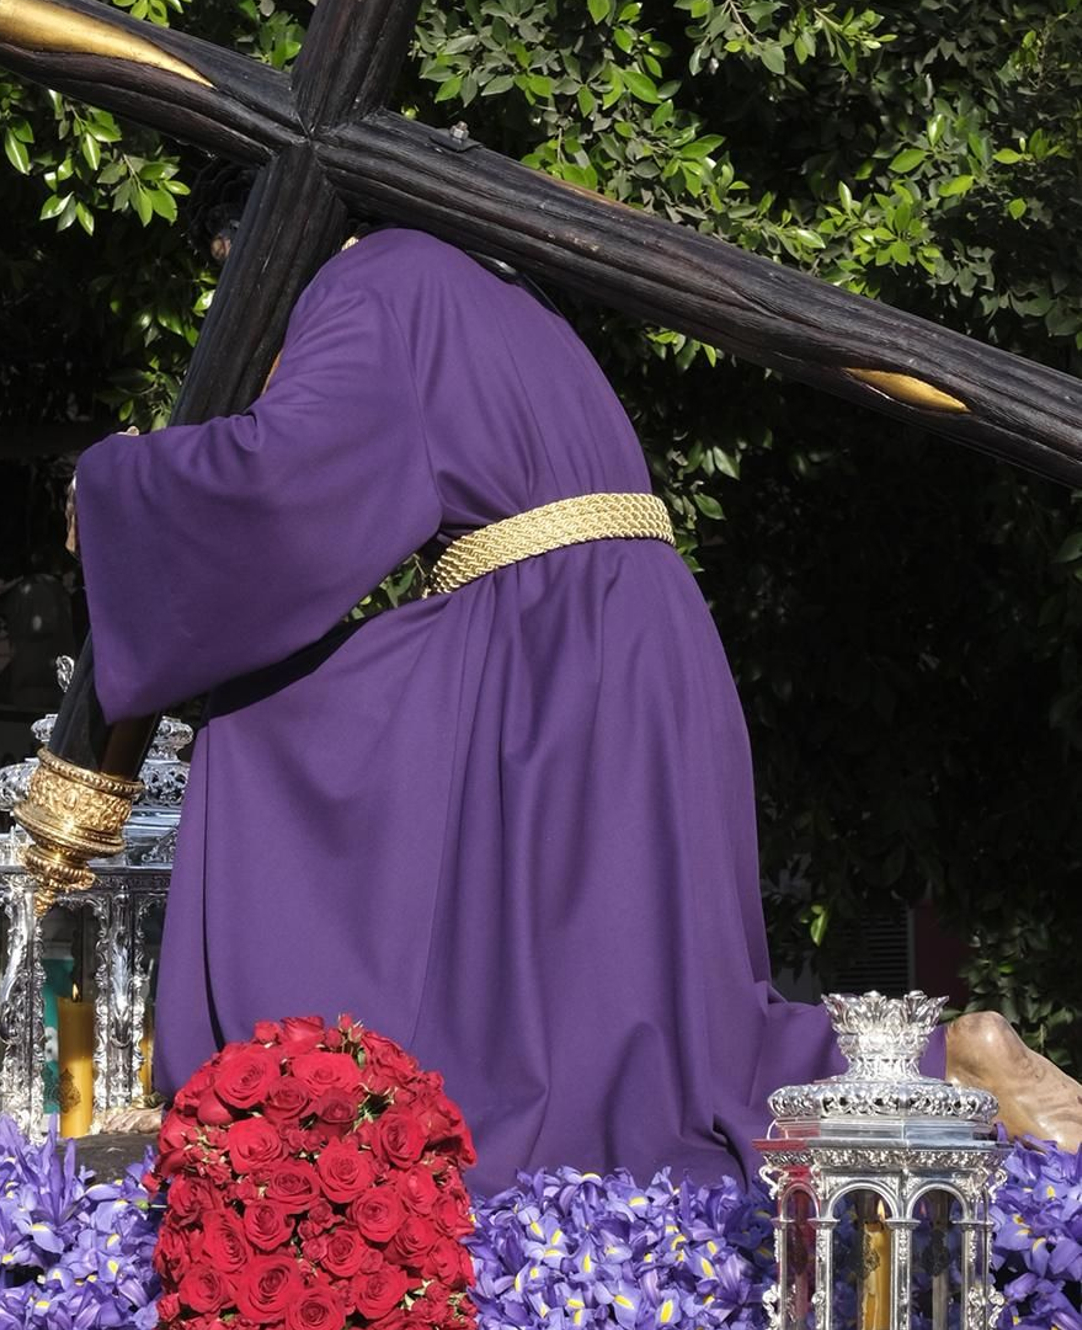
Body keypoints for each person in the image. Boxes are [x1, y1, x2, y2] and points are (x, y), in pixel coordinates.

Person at [73, 227, 1082, 1199]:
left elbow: (282, 491)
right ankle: (937, 1060)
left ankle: (324, 1100)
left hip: (551, 647)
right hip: (638, 634)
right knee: (671, 1011)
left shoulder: (373, 281)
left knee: (261, 719)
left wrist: (116, 485)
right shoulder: (497, 283)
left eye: (226, 270)